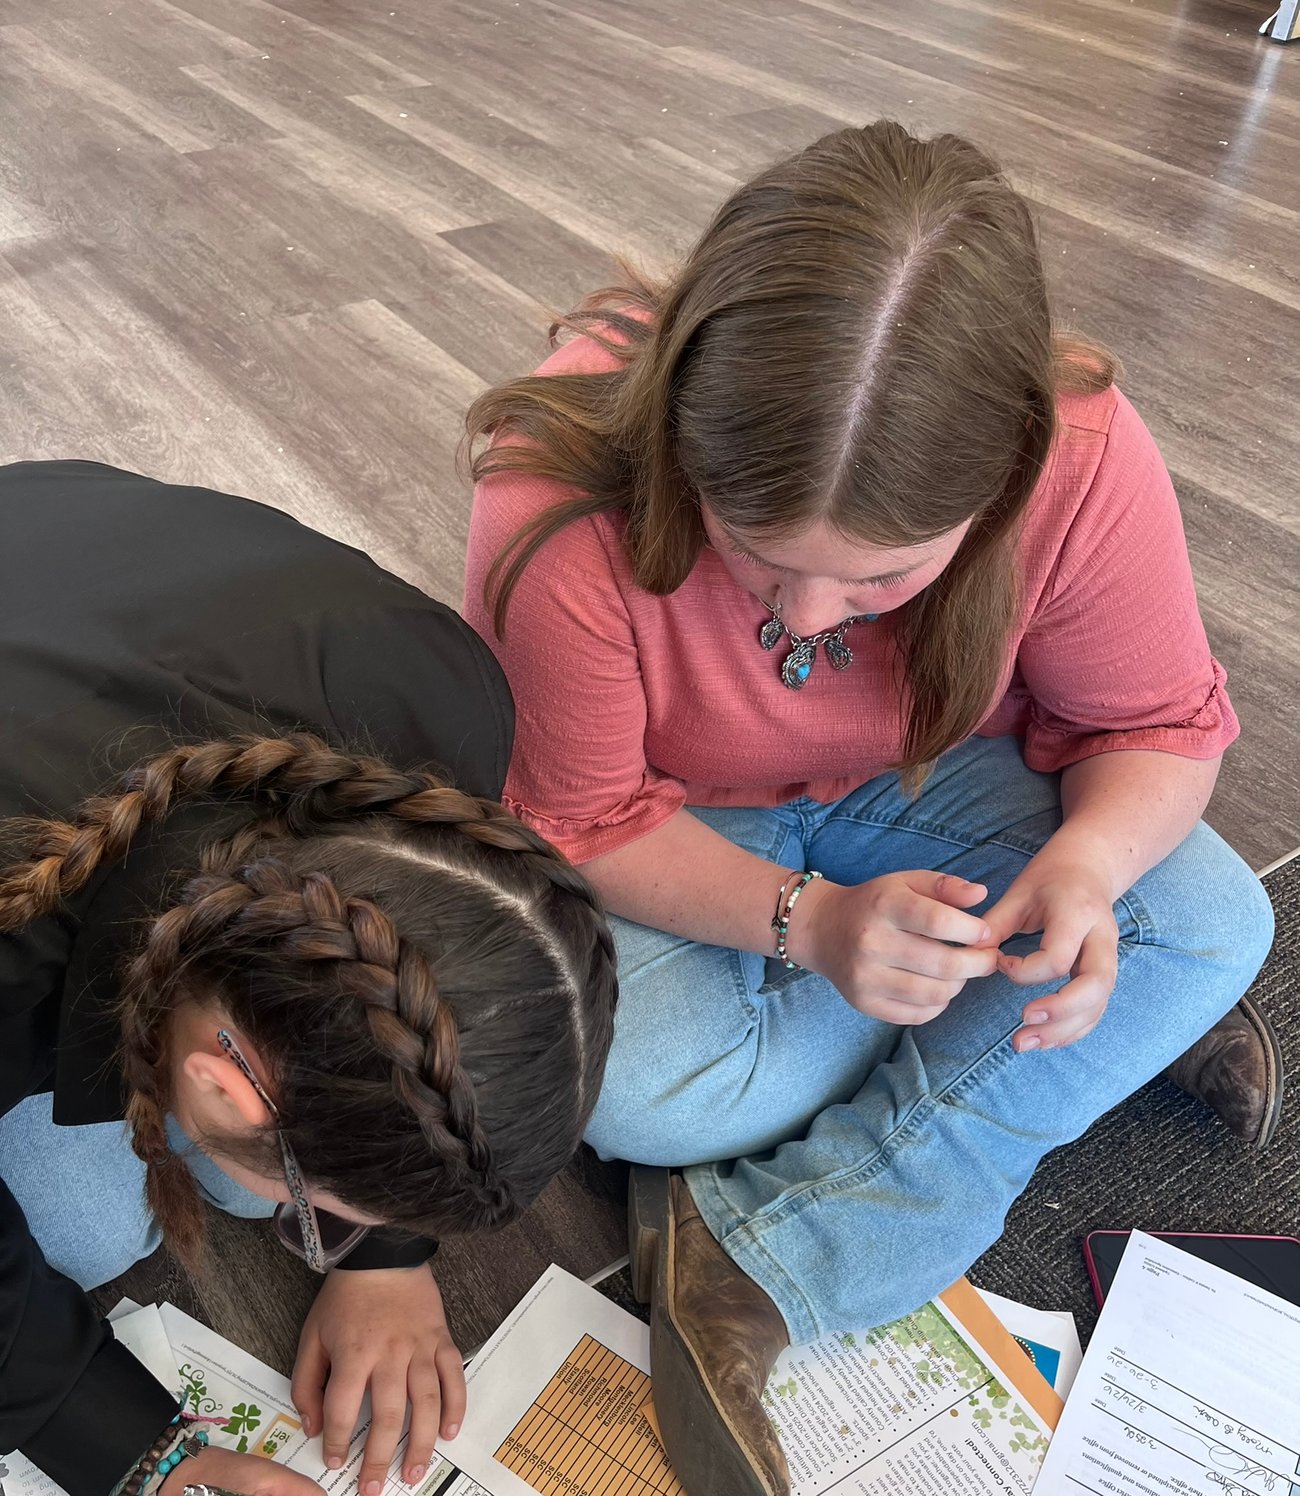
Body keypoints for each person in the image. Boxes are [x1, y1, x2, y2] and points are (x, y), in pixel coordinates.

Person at [461, 121, 1279, 1496]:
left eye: (882, 579)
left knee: (1205, 917)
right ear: (685, 439)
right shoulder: (553, 491)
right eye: (755, 552)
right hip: (683, 827)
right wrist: (810, 923)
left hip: (934, 790)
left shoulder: (1080, 451)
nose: (803, 617)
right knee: (644, 1095)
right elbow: (585, 818)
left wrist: (1085, 863)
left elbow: (1154, 728)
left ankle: (769, 1259)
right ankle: (1071, 1034)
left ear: (1005, 476)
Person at [0, 461, 617, 1496]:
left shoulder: (445, 702)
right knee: (85, 1229)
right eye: (320, 1207)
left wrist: (386, 1250)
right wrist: (139, 1452)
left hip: (75, 580)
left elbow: (423, 990)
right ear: (222, 1083)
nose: (329, 1229)